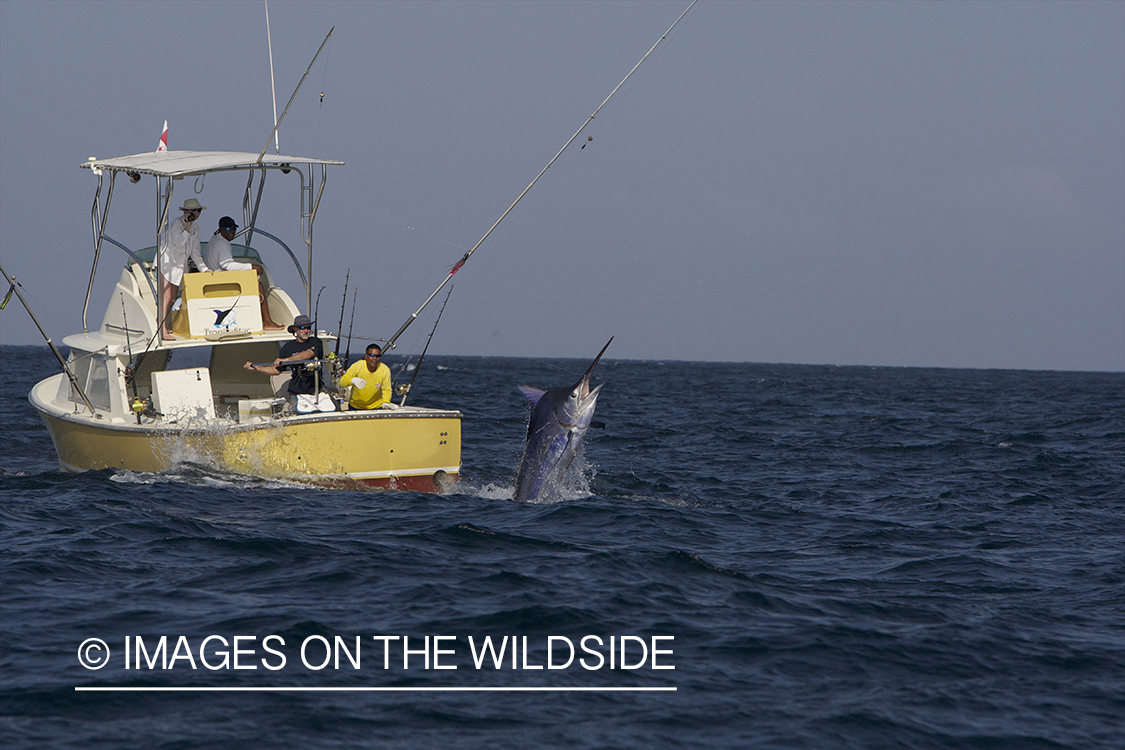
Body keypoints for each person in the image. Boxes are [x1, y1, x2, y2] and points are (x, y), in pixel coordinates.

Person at [201, 216, 284, 330]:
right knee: (259, 286)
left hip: (214, 281)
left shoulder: (214, 240)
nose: (232, 231)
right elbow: (227, 265)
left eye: (234, 228)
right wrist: (252, 266)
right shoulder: (223, 243)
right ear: (220, 229)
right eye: (228, 228)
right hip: (220, 284)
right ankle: (267, 322)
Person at [242, 314, 335, 413]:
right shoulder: (287, 348)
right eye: (302, 328)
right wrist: (257, 368)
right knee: (296, 411)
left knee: (332, 408)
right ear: (295, 329)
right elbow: (276, 370)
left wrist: (286, 360)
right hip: (297, 391)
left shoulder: (316, 342)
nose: (306, 330)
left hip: (317, 390)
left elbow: (308, 354)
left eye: (308, 327)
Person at [158, 198, 208, 340]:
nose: (196, 213)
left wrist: (204, 269)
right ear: (186, 211)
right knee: (167, 297)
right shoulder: (177, 224)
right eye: (193, 211)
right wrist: (187, 226)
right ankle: (161, 329)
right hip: (168, 263)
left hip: (180, 266)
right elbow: (179, 242)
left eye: (198, 211)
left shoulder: (195, 228)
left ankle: (161, 324)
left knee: (174, 298)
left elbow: (195, 251)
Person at [339, 344, 394, 410]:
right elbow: (342, 382)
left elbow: (387, 390)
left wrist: (386, 402)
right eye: (372, 355)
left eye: (377, 356)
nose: (374, 358)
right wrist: (352, 380)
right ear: (366, 356)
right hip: (356, 406)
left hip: (376, 407)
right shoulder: (357, 366)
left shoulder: (385, 370)